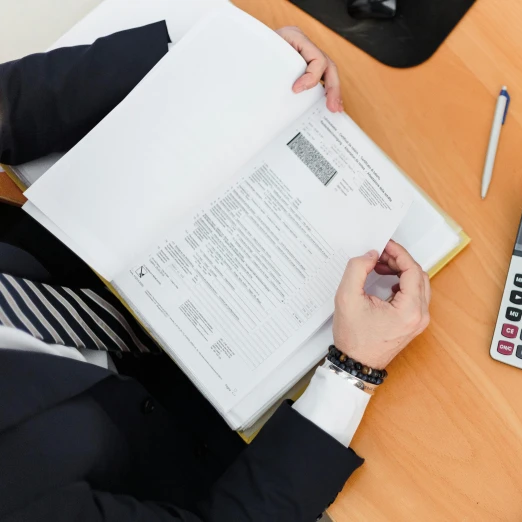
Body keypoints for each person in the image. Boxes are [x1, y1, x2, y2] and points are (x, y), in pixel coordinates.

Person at [0, 22, 431, 522]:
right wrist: (352, 372)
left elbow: (13, 103)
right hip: (207, 459)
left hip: (94, 267)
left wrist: (228, 58)